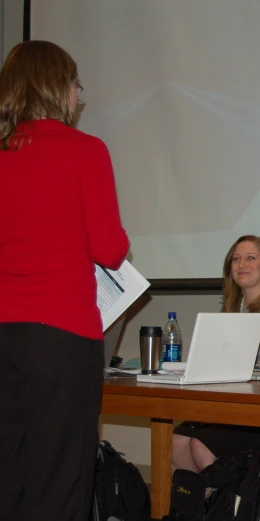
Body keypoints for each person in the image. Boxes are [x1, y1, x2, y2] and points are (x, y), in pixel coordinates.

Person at [0, 41, 130, 520]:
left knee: (8, 470)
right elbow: (109, 248)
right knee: (60, 474)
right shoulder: (84, 150)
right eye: (76, 84)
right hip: (58, 333)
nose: (79, 94)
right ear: (58, 86)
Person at [172, 235, 260, 472]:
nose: (241, 264)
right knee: (176, 440)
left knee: (201, 444)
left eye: (250, 258)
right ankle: (200, 506)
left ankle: (225, 507)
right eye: (236, 259)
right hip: (230, 406)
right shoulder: (233, 307)